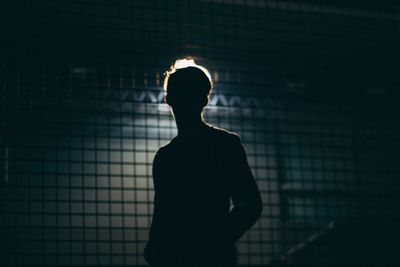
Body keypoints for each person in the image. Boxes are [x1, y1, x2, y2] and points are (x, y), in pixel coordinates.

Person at [144, 59, 262, 267]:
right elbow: (250, 205)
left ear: (168, 99)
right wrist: (218, 239)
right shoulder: (224, 145)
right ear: (205, 99)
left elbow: (163, 214)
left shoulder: (166, 157)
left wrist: (157, 247)